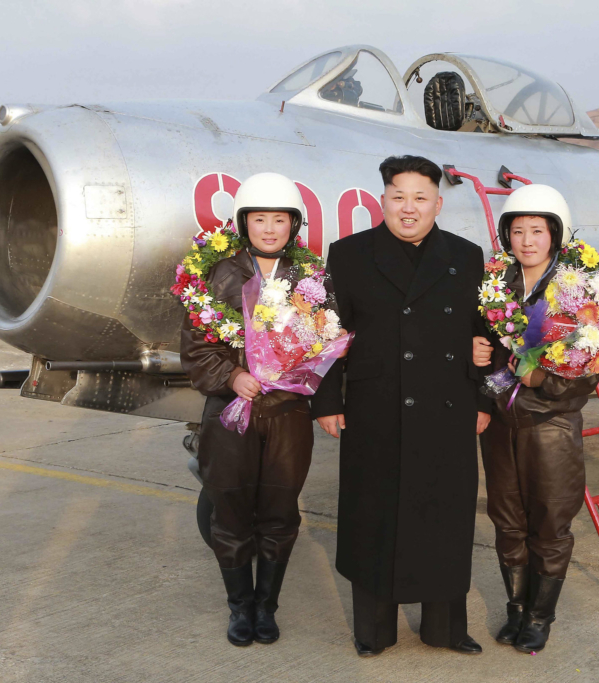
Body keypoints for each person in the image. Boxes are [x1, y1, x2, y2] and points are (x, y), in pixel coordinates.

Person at [312, 155, 492, 657]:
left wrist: (482, 398)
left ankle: (446, 629)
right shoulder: (348, 254)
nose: (408, 208)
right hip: (376, 404)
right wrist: (328, 400)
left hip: (449, 405)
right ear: (383, 200)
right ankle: (373, 630)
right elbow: (328, 334)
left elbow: (487, 332)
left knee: (446, 515)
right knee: (374, 514)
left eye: (419, 198)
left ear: (437, 203)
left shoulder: (467, 255)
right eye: (398, 196)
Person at [181, 173, 317, 647]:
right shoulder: (219, 275)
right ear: (244, 223)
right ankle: (240, 608)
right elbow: (196, 348)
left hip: (287, 415)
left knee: (281, 513)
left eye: (280, 219)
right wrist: (233, 376)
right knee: (231, 512)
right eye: (259, 219)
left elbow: (325, 339)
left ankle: (267, 607)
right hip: (230, 414)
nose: (270, 228)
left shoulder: (310, 279)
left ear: (293, 224)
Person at [472, 185, 599, 653]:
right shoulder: (495, 287)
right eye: (518, 231)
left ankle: (541, 617)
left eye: (537, 231)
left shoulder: (575, 292)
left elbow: (590, 366)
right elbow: (480, 346)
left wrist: (541, 378)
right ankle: (516, 609)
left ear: (555, 236)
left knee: (549, 523)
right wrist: (476, 352)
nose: (527, 241)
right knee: (507, 520)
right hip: (503, 427)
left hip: (551, 427)